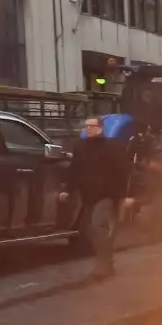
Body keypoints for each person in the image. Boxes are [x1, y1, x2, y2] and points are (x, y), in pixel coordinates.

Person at [59, 118, 134, 280]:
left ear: (100, 128)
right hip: (88, 196)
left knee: (97, 227)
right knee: (92, 231)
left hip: (107, 195)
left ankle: (103, 267)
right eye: (86, 126)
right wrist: (67, 190)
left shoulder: (112, 147)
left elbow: (124, 171)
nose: (88, 129)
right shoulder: (80, 147)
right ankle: (107, 263)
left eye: (92, 126)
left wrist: (125, 195)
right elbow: (74, 170)